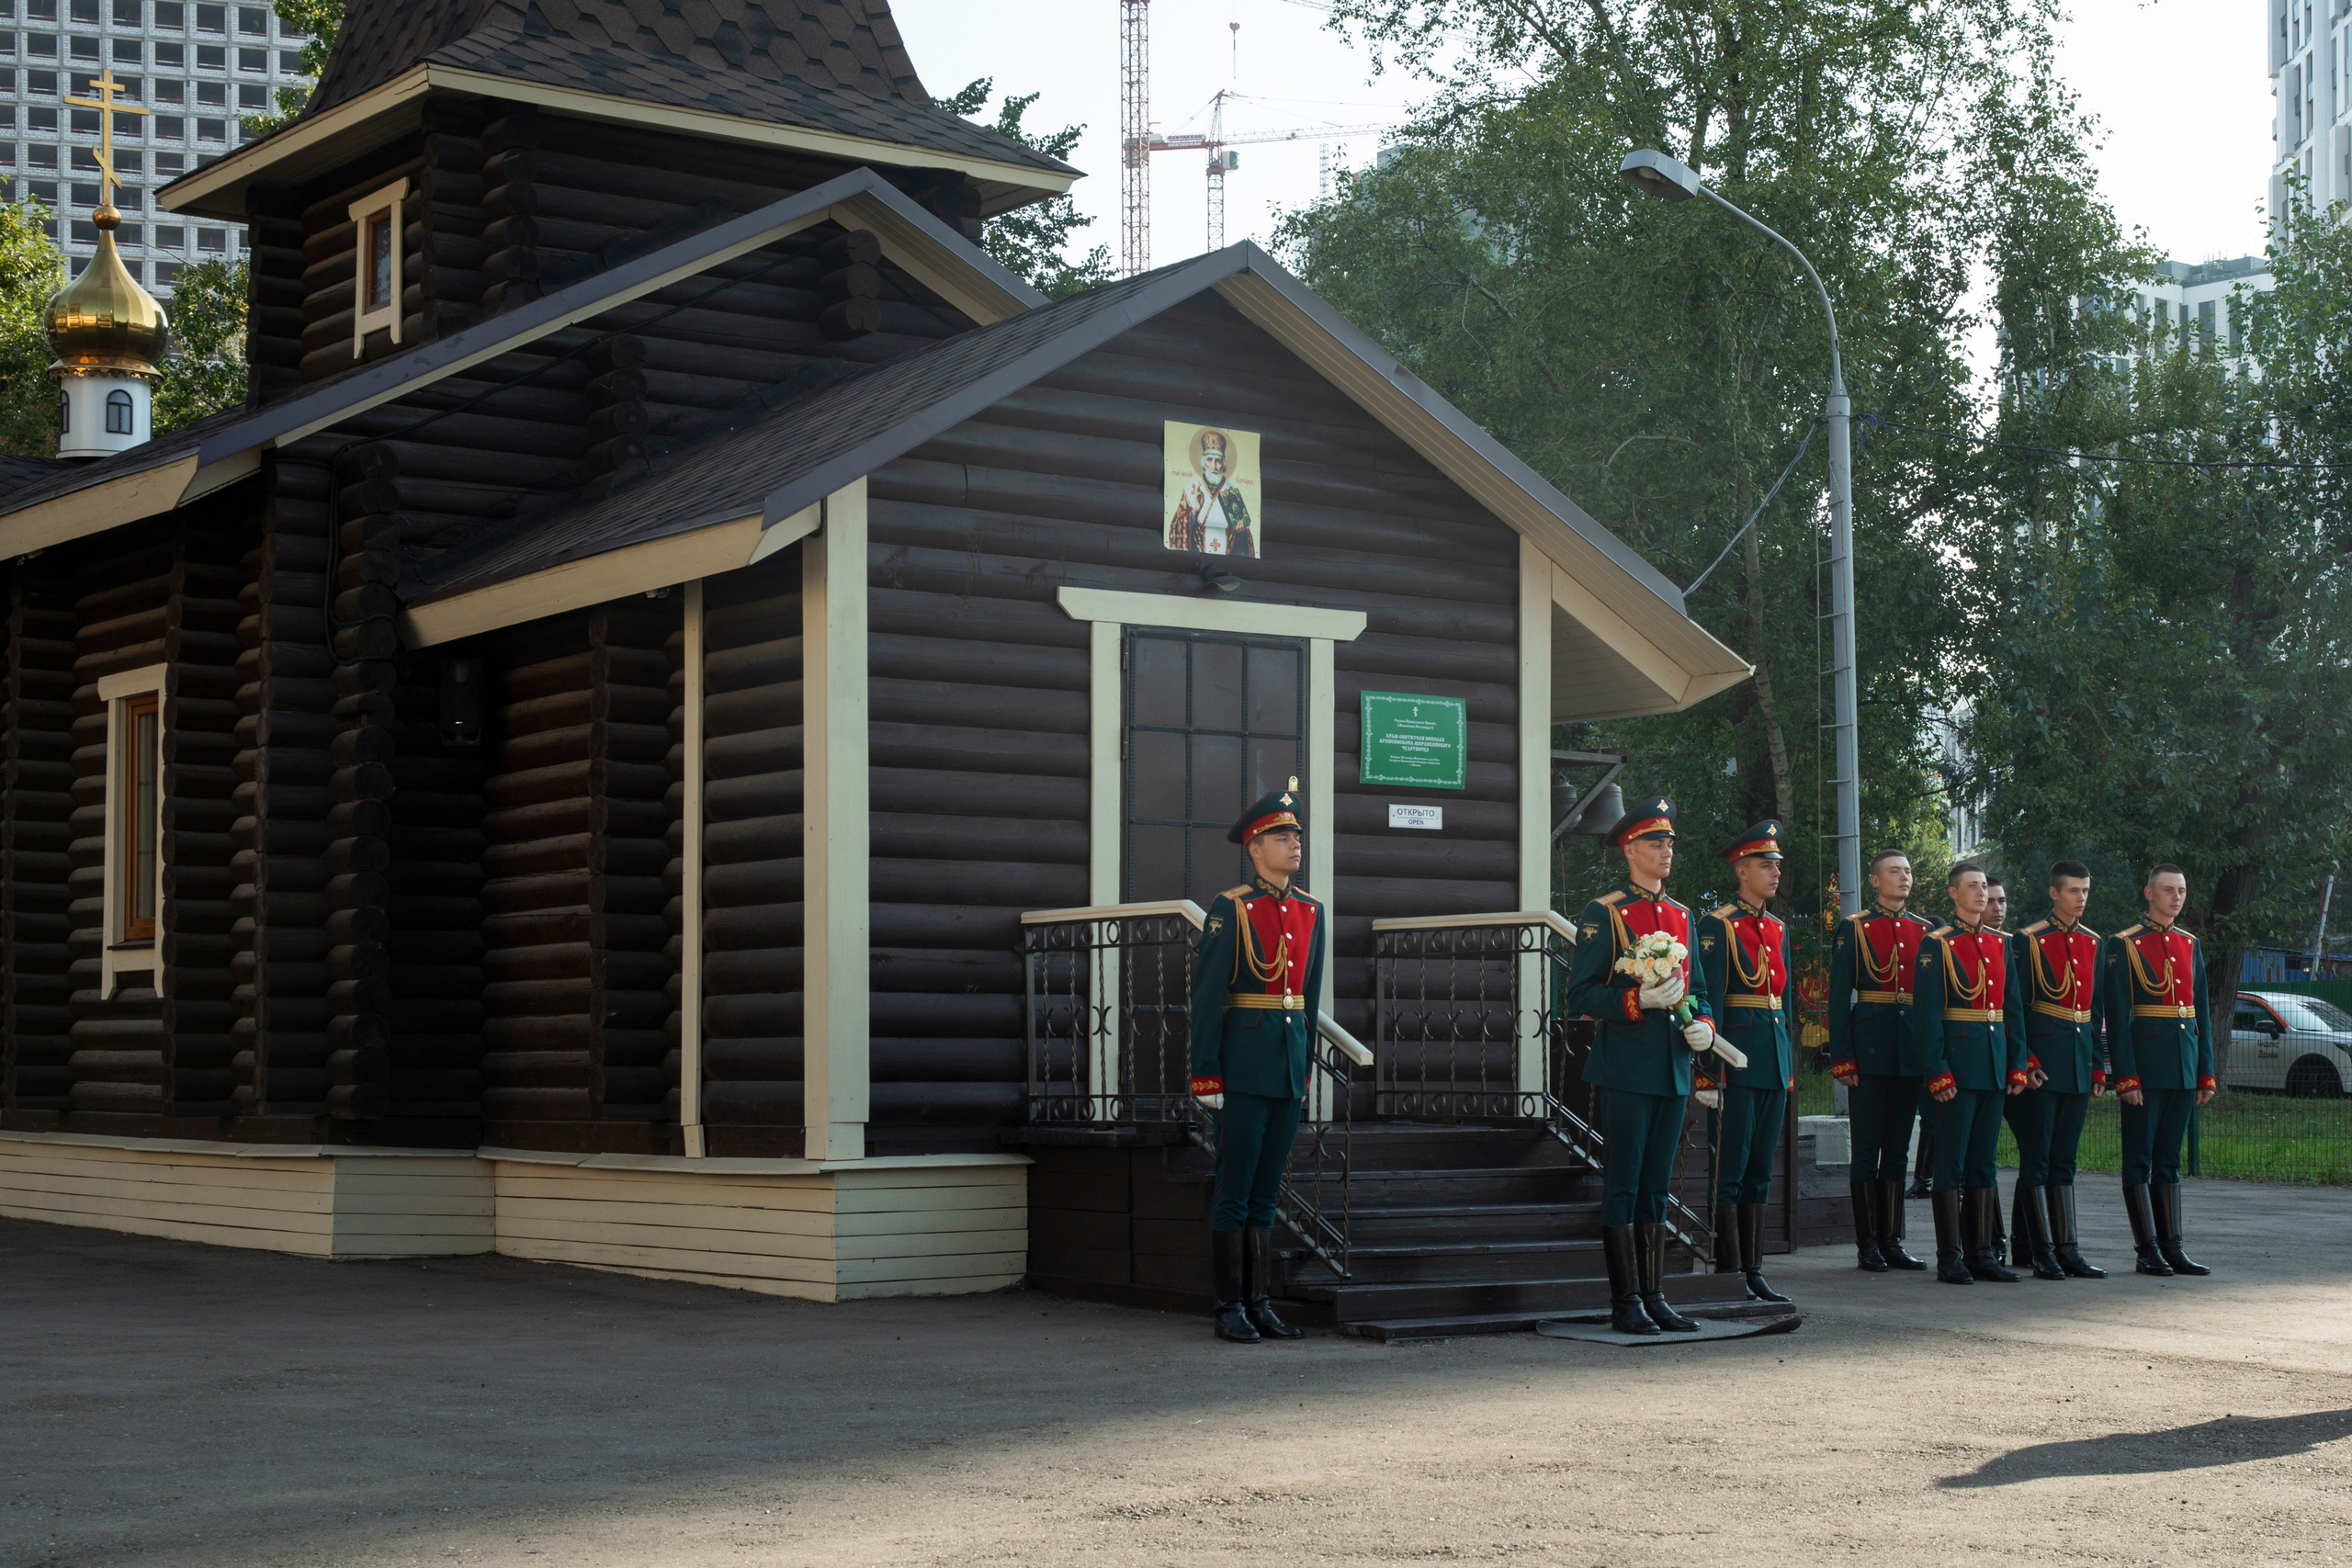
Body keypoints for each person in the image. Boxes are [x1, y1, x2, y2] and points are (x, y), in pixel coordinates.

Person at [1566, 796, 1724, 1336]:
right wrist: (1639, 1002)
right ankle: (1625, 1299)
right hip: (1628, 1066)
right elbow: (1581, 993)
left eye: (1670, 843)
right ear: (1631, 849)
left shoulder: (1681, 915)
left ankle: (1655, 1294)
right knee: (1626, 1184)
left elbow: (1698, 990)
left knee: (1658, 1184)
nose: (1667, 851)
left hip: (1673, 1065)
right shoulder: (1605, 912)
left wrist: (1702, 1023)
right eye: (1657, 843)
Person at [1189, 779, 1324, 1342]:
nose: (1295, 843)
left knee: (1267, 1192)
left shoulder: (1312, 910)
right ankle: (1229, 1307)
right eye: (1281, 836)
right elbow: (1207, 995)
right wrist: (1206, 1073)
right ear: (1255, 848)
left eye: (1295, 834)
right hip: (1242, 1067)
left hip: (1287, 1067)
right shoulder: (1231, 908)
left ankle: (1260, 1302)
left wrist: (1306, 1064)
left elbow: (1309, 1000)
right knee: (1236, 1188)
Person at [1906, 862, 2029, 1284]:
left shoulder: (2001, 943)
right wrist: (1937, 1071)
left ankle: (1982, 1253)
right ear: (1953, 893)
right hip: (1956, 1071)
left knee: (1983, 1165)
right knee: (1951, 1165)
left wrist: (2017, 1063)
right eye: (1972, 887)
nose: (1981, 894)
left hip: (1993, 1067)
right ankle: (1950, 1256)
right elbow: (1927, 1016)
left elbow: (2012, 1010)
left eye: (1984, 887)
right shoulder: (1937, 944)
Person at [1696, 820, 1796, 1305]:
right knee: (1729, 1169)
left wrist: (1789, 1063)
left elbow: (1787, 1003)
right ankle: (1730, 1267)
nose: (1775, 873)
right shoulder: (1717, 925)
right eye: (1765, 865)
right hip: (1734, 1059)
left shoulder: (1777, 928)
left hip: (1773, 1059)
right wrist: (1706, 1070)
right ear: (1741, 871)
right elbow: (1708, 1000)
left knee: (1761, 1169)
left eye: (1776, 865)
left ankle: (1754, 1269)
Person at [2106, 864, 2217, 1278]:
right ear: (2149, 893)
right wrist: (2126, 1076)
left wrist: (2205, 1072)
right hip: (2146, 1068)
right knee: (2139, 1158)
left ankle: (2173, 1247)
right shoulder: (2124, 943)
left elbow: (2201, 1010)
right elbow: (2117, 1018)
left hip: (2184, 1067)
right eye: (2168, 890)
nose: (2176, 897)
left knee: (2169, 1160)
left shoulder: (2190, 943)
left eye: (2182, 891)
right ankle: (2146, 1248)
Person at [1827, 850, 1933, 1271]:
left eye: (1908, 871)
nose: (1904, 878)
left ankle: (1893, 1240)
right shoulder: (1854, 928)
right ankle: (1867, 1242)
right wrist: (1844, 1059)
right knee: (1867, 1150)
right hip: (1869, 1050)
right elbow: (1838, 1000)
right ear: (1874, 881)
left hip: (1908, 1052)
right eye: (1894, 871)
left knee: (1897, 1151)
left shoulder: (1924, 930)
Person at [2006, 860, 2110, 1280]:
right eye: (2073, 891)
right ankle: (2040, 1250)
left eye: (2085, 891)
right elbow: (2016, 1009)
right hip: (2044, 1064)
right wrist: (2027, 1060)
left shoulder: (2092, 941)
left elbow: (2095, 1009)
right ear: (2054, 893)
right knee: (2037, 1159)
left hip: (2078, 1062)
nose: (2080, 898)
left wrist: (2098, 1064)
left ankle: (2068, 1248)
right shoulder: (2029, 939)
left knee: (2065, 1159)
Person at [1165, 428, 1257, 557]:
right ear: (1204, 462)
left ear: (1223, 464)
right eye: (1210, 460)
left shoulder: (1231, 493)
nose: (1214, 466)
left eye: (1218, 461)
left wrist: (1240, 532)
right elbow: (1176, 529)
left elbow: (1245, 544)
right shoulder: (1191, 491)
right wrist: (1195, 511)